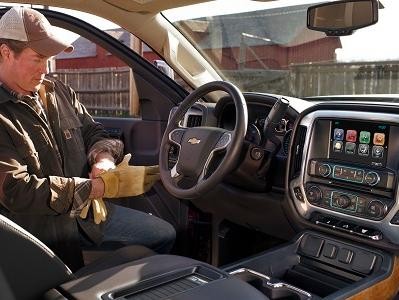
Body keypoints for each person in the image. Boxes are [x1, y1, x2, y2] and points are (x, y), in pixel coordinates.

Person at [0, 6, 175, 271]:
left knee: (165, 235)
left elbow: (95, 132)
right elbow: (15, 190)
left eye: (48, 59)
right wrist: (95, 189)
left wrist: (102, 158)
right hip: (38, 232)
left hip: (88, 216)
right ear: (5, 52)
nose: (45, 70)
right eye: (37, 59)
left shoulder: (58, 91)